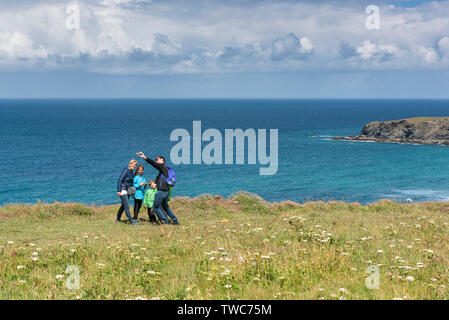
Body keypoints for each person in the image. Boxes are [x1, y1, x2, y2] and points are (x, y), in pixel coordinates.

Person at [137, 152, 179, 225]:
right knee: (166, 207)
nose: (156, 161)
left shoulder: (162, 167)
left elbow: (154, 164)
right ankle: (175, 221)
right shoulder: (163, 170)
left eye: (157, 159)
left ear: (162, 160)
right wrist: (153, 183)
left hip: (162, 191)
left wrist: (145, 157)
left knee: (155, 207)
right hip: (166, 191)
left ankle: (163, 221)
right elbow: (159, 180)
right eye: (155, 159)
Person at [116, 159, 139, 225]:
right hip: (123, 190)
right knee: (127, 205)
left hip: (127, 190)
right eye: (133, 164)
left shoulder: (131, 172)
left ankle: (118, 218)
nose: (134, 166)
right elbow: (120, 180)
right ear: (130, 164)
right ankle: (131, 221)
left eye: (135, 165)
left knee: (123, 205)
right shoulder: (126, 170)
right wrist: (119, 191)